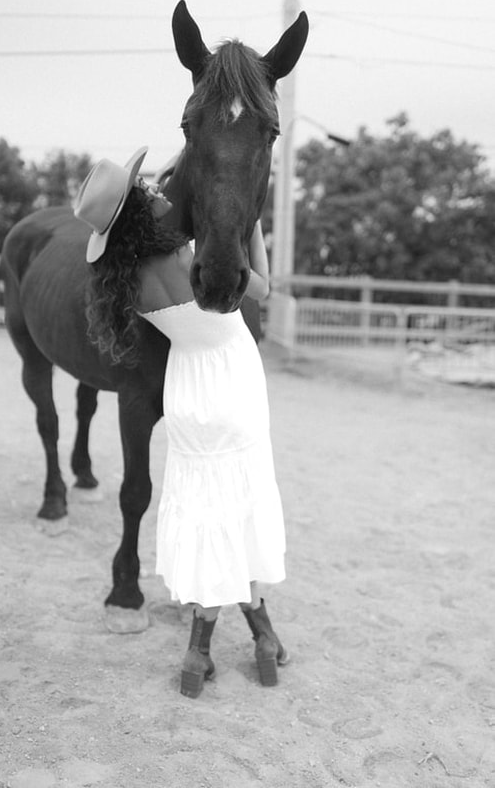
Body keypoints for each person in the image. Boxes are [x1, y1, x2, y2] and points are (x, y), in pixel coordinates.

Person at [74, 148, 288, 698]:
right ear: (142, 204)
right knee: (238, 507)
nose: (158, 192)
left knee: (203, 511)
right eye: (147, 190)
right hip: (234, 380)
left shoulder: (127, 280)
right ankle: (249, 642)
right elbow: (262, 286)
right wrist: (253, 223)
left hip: (187, 390)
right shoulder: (195, 257)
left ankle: (210, 650)